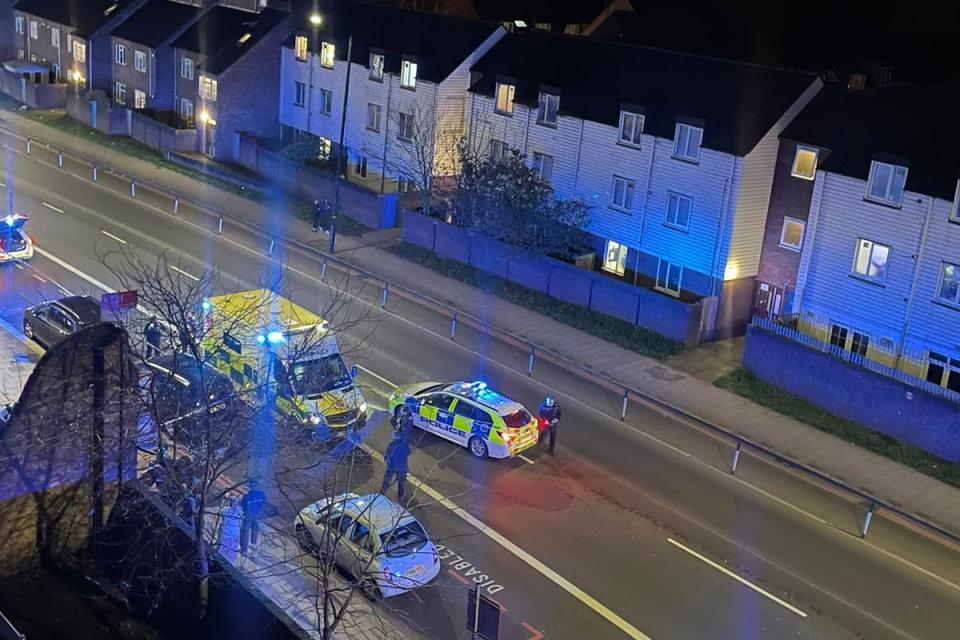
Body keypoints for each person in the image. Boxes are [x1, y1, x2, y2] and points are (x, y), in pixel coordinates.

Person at [380, 433, 411, 503]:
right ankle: (401, 496)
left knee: (386, 481)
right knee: (401, 482)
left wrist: (388, 463)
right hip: (401, 467)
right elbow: (408, 452)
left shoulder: (391, 445)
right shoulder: (404, 444)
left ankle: (382, 493)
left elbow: (387, 456)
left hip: (392, 466)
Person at [240, 480, 266, 553]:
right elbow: (263, 503)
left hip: (248, 515)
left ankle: (244, 549)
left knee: (245, 531)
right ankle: (253, 544)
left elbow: (242, 505)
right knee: (255, 528)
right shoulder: (262, 494)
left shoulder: (247, 496)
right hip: (257, 514)